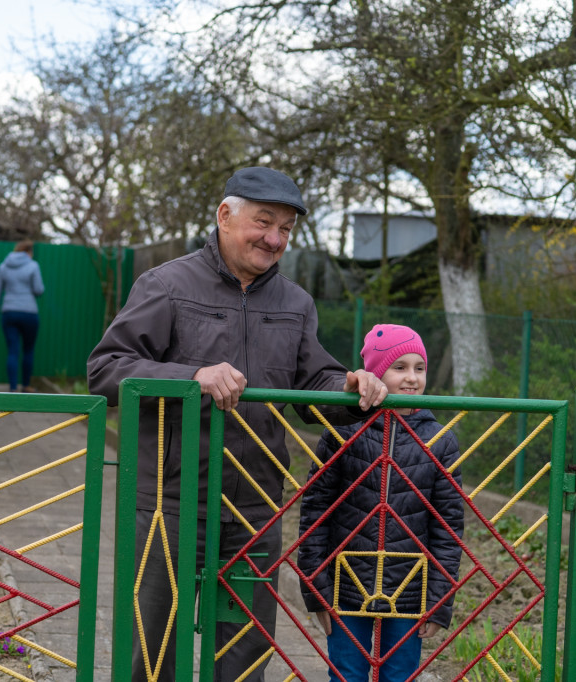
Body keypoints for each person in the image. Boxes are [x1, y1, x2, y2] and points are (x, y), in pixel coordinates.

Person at [87, 167, 388, 681]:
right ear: (225, 216)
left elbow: (314, 383)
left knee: (247, 656)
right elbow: (107, 369)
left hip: (254, 505)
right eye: (263, 222)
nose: (274, 239)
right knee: (152, 650)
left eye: (286, 229)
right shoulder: (166, 285)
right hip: (168, 500)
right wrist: (192, 376)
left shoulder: (295, 304)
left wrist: (353, 389)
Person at [297, 324, 464, 682]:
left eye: (419, 368)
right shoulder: (342, 432)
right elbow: (315, 513)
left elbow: (448, 529)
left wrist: (438, 602)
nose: (412, 378)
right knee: (346, 674)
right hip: (346, 585)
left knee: (400, 675)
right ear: (374, 375)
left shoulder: (440, 441)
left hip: (409, 589)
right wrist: (316, 591)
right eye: (399, 367)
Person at [0, 240, 45, 392]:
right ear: (29, 251)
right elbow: (39, 289)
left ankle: (13, 387)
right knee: (28, 350)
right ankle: (26, 385)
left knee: (13, 351)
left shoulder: (4, 266)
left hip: (9, 312)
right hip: (29, 313)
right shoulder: (33, 266)